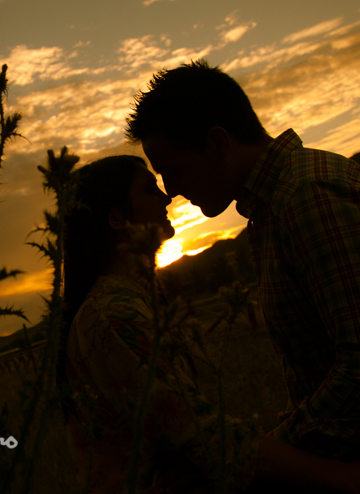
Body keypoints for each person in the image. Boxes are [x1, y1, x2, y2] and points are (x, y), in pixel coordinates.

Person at [60, 155, 360, 493]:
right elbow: (205, 436)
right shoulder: (115, 313)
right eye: (149, 190)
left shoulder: (127, 302)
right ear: (116, 218)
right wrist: (339, 476)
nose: (167, 197)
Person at [125, 59, 360, 466]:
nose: (172, 191)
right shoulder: (272, 207)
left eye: (174, 171)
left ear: (218, 144)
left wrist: (269, 454)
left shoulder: (307, 197)